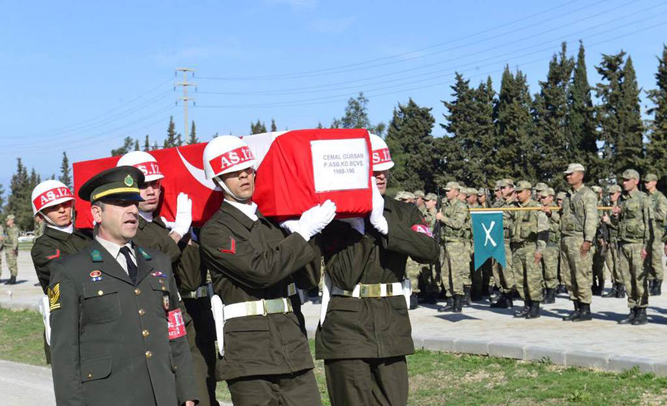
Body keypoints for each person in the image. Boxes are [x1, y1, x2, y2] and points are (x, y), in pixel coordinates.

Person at [49, 166, 197, 406]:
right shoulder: (71, 270)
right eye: (121, 203)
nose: (131, 210)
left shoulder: (158, 262)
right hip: (108, 397)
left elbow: (176, 332)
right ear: (97, 213)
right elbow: (64, 353)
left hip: (163, 395)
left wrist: (188, 392)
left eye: (134, 202)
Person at [199, 136, 331, 406]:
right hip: (249, 354)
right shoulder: (215, 231)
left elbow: (308, 279)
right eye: (234, 173)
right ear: (218, 181)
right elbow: (262, 271)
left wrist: (307, 235)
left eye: (248, 170)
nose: (244, 177)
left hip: (291, 345)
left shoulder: (274, 223)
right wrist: (302, 234)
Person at [316, 133, 438, 406]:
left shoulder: (404, 213)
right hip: (347, 324)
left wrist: (387, 227)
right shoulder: (335, 217)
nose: (381, 177)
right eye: (373, 171)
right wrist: (361, 227)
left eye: (384, 171)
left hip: (391, 322)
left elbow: (429, 251)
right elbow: (345, 275)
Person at [117, 150, 218, 406]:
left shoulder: (161, 224)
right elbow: (149, 263)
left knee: (203, 393)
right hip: (152, 330)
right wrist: (177, 234)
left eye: (155, 184)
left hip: (187, 320)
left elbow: (191, 279)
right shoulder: (125, 228)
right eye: (143, 185)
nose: (151, 191)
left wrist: (191, 237)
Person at [30, 180, 92, 364]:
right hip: (68, 326)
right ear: (40, 215)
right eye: (54, 207)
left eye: (65, 204)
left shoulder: (89, 235)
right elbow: (72, 272)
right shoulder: (42, 247)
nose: (62, 210)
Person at [560, 163, 598, 322]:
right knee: (568, 275)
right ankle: (576, 306)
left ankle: (585, 308)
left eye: (571, 174)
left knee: (581, 273)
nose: (568, 176)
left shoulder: (587, 194)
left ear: (580, 175)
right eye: (567, 174)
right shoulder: (568, 196)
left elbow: (591, 218)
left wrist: (588, 239)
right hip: (566, 238)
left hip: (579, 239)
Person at [613, 169, 651, 325]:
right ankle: (632, 309)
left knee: (639, 278)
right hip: (624, 243)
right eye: (623, 180)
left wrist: (646, 246)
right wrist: (615, 216)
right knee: (627, 278)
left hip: (637, 243)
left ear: (636, 181)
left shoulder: (643, 198)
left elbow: (649, 223)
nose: (624, 182)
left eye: (628, 180)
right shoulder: (621, 199)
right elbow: (617, 223)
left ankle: (642, 311)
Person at [510, 181, 549, 319]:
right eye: (517, 192)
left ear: (528, 192)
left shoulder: (536, 208)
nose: (518, 195)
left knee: (533, 278)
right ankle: (526, 305)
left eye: (520, 192)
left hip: (530, 247)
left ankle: (535, 307)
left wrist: (540, 250)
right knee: (520, 279)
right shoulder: (514, 208)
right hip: (517, 248)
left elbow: (543, 231)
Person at [437, 181, 469, 312]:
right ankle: (449, 299)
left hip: (456, 243)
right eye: (446, 190)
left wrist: (442, 218)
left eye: (449, 190)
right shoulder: (445, 205)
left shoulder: (461, 206)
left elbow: (458, 224)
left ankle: (458, 301)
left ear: (456, 192)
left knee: (456, 272)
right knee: (445, 272)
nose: (446, 192)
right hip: (445, 242)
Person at [490, 179, 517, 309]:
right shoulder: (499, 204)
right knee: (497, 270)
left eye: (503, 188)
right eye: (500, 188)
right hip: (496, 240)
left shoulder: (515, 205)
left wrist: (501, 222)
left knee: (507, 270)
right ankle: (502, 294)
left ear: (511, 188)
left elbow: (516, 223)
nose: (501, 191)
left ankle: (509, 296)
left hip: (507, 241)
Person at [644, 173, 667, 296]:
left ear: (654, 182)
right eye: (645, 182)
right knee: (647, 258)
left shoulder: (660, 198)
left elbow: (663, 216)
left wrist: (649, 213)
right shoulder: (644, 196)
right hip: (645, 231)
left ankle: (657, 283)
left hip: (656, 231)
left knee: (656, 259)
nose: (646, 184)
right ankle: (650, 282)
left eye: (648, 182)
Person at [602, 185, 625, 298]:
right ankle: (614, 286)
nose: (611, 196)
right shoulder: (608, 207)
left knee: (618, 265)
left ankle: (620, 288)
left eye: (613, 194)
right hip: (609, 240)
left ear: (619, 193)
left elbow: (620, 226)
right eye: (610, 194)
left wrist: (608, 222)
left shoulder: (621, 207)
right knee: (610, 265)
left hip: (617, 240)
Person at [539, 188, 559, 304]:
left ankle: (551, 294)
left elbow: (559, 225)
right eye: (541, 197)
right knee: (540, 269)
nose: (542, 199)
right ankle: (543, 291)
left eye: (544, 197)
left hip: (551, 243)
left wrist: (550, 215)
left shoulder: (556, 209)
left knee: (550, 270)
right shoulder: (538, 208)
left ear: (551, 197)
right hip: (540, 242)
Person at [3, 214, 20, 285]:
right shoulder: (8, 229)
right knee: (9, 263)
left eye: (8, 220)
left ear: (12, 220)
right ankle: (11, 277)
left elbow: (15, 240)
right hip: (7, 248)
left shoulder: (14, 229)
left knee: (13, 263)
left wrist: (14, 249)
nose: (6, 222)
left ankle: (14, 278)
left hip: (11, 248)